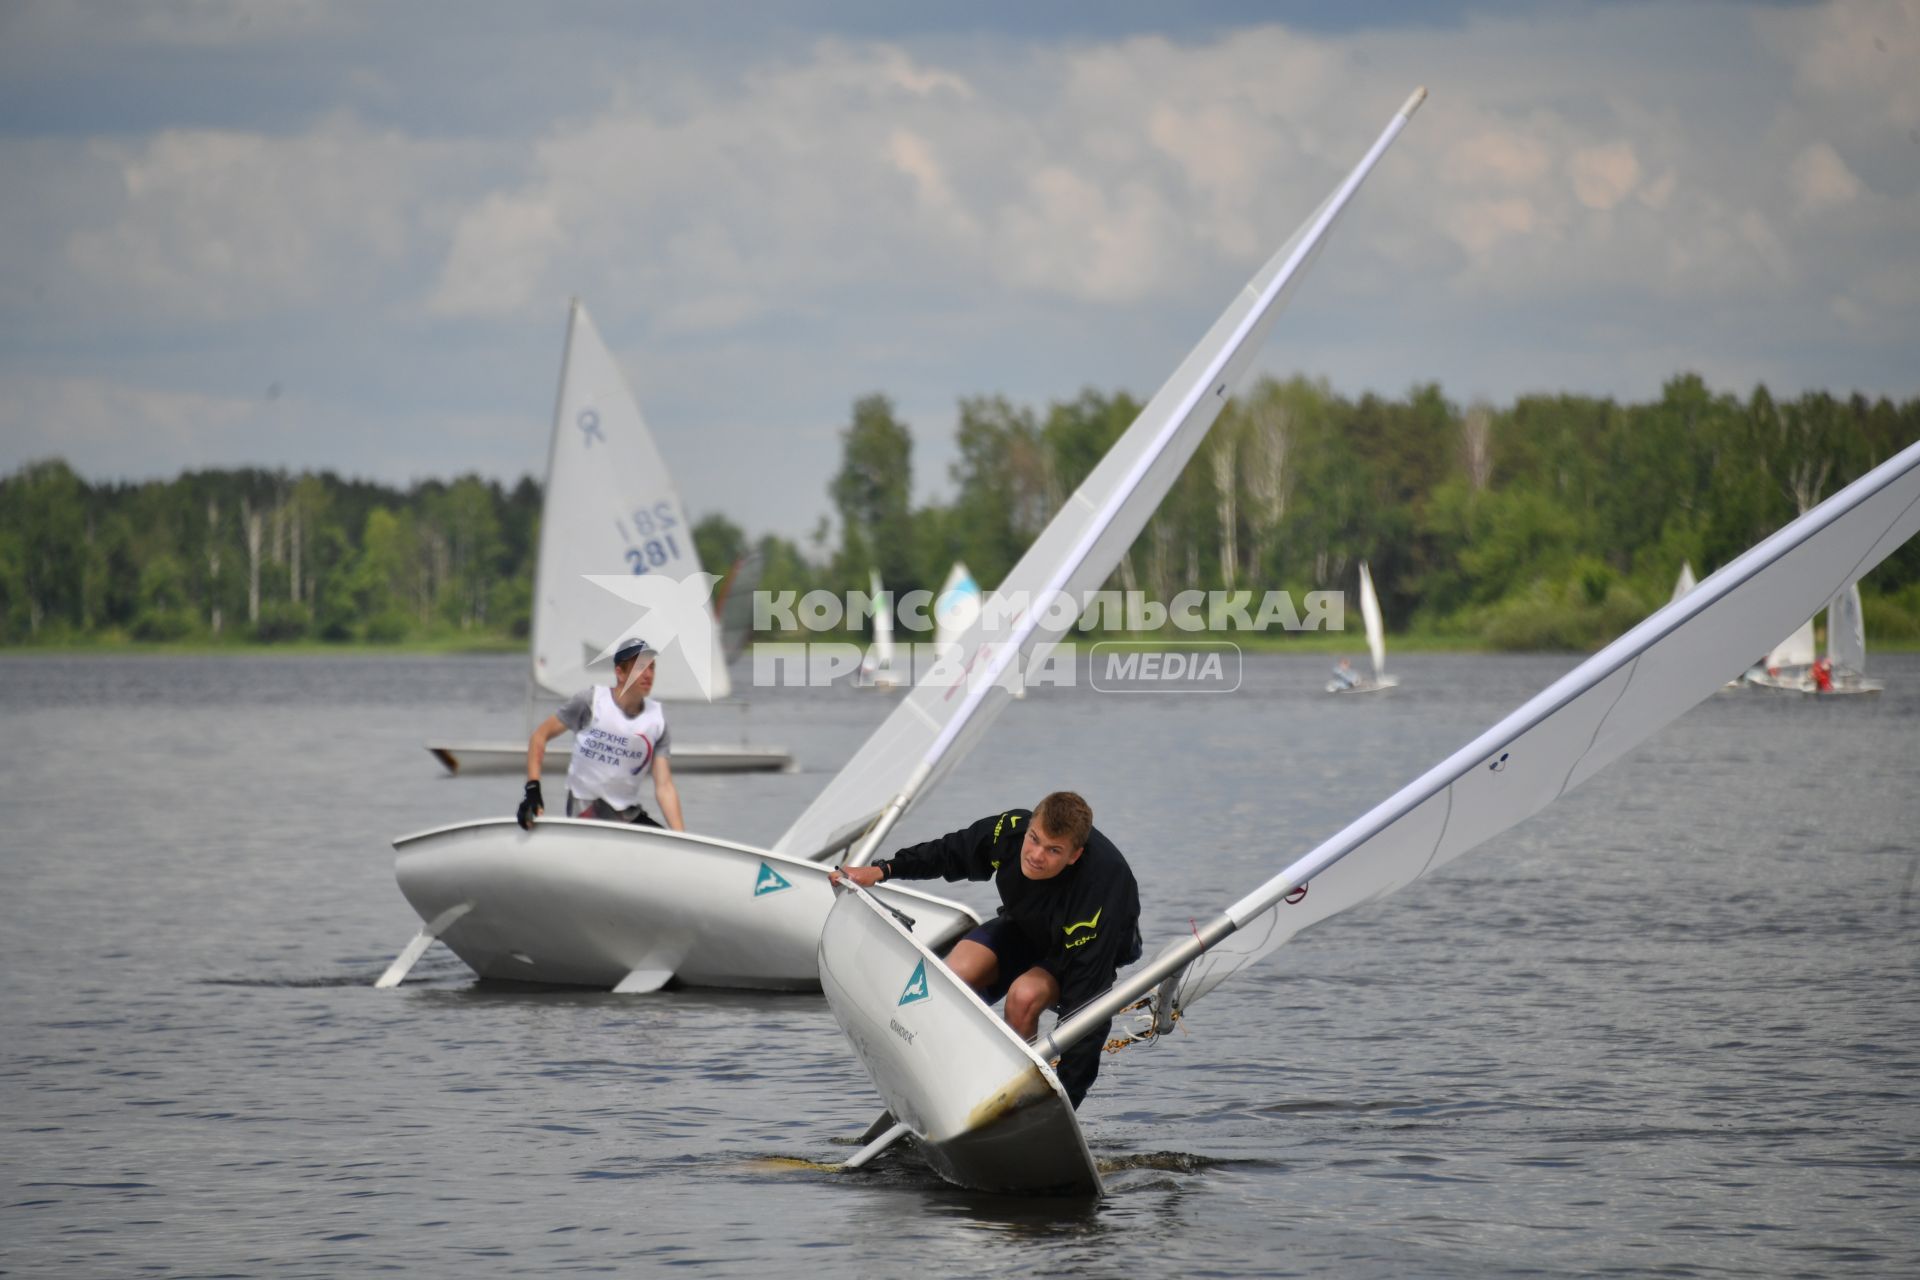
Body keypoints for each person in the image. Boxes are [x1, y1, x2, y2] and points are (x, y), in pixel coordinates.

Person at [832, 791, 1140, 1108]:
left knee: (1024, 996)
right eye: (1034, 839)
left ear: (1073, 856)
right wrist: (882, 870)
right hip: (1024, 929)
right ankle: (943, 1079)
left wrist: (1066, 1104)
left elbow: (1086, 1010)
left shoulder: (1103, 886)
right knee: (955, 975)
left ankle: (1022, 1103)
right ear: (1030, 824)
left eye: (1053, 850)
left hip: (1075, 957)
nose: (1036, 855)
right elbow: (949, 851)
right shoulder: (1011, 829)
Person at [517, 637, 684, 832]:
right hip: (586, 814)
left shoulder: (656, 721)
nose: (648, 674)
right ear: (620, 673)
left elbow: (664, 787)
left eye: (652, 667)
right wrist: (532, 790)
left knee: (665, 841)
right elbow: (540, 736)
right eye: (640, 668)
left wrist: (681, 839)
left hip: (627, 816)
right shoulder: (590, 702)